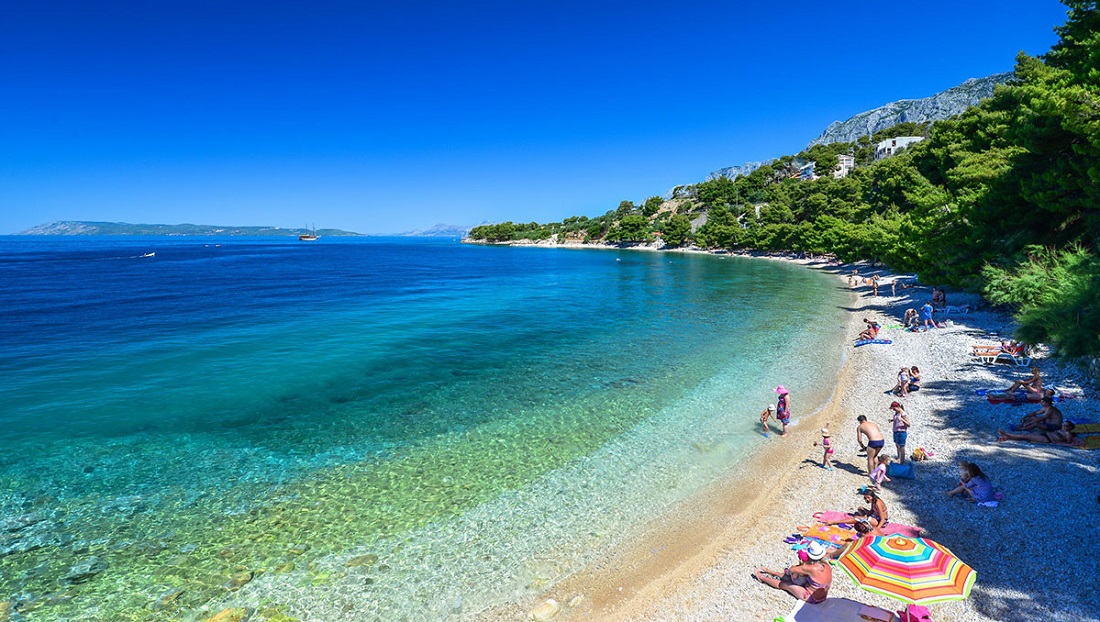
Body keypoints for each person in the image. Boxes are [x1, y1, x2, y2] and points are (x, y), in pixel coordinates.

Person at [753, 541, 832, 604]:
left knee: (784, 584)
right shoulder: (826, 565)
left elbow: (791, 570)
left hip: (810, 597)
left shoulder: (810, 568)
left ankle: (762, 578)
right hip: (823, 596)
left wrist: (797, 567)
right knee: (793, 577)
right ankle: (770, 572)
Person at [998, 421, 1083, 446]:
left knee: (1025, 436)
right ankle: (1007, 437)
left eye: (1065, 425)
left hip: (1047, 439)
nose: (1063, 426)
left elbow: (1068, 442)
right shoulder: (1061, 429)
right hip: (1046, 435)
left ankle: (1007, 434)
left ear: (1069, 428)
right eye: (1063, 424)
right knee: (1026, 437)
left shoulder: (1068, 434)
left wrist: (1057, 443)